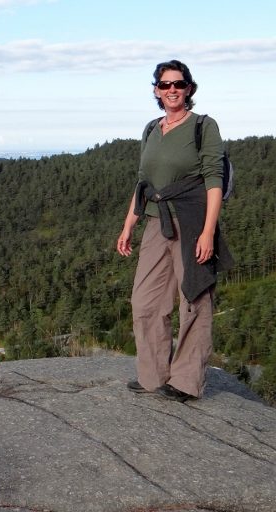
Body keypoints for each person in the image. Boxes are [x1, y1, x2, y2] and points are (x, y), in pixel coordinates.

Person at [116, 59, 234, 402]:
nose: (172, 90)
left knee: (194, 299)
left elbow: (214, 179)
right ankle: (153, 376)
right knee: (145, 301)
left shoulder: (203, 126)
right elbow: (143, 182)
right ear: (156, 90)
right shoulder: (152, 128)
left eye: (178, 84)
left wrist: (208, 232)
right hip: (156, 220)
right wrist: (128, 226)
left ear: (189, 89)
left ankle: (185, 381)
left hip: (193, 219)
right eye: (165, 85)